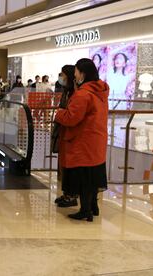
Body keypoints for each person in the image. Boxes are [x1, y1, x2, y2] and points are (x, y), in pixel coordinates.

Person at [54, 58, 108, 222]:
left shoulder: (83, 94)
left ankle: (85, 210)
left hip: (83, 140)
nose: (74, 74)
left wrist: (58, 113)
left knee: (84, 176)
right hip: (96, 139)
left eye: (76, 71)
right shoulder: (100, 91)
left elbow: (71, 118)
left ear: (82, 73)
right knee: (92, 176)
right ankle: (92, 207)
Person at [51, 65, 78, 207]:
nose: (60, 77)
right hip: (63, 131)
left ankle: (71, 195)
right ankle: (67, 193)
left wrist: (60, 114)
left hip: (70, 133)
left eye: (62, 74)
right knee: (64, 164)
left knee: (70, 166)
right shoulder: (67, 92)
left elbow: (68, 114)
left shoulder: (76, 93)